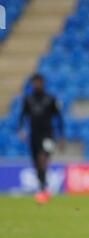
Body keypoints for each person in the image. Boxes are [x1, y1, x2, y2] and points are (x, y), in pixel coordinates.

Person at [18, 74, 64, 203]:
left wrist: (61, 136)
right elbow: (22, 115)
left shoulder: (50, 99)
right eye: (35, 82)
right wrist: (21, 129)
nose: (37, 84)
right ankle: (42, 187)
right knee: (36, 162)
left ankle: (43, 189)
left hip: (48, 135)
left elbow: (59, 118)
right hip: (34, 135)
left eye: (39, 82)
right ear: (32, 83)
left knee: (42, 157)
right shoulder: (28, 99)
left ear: (42, 83)